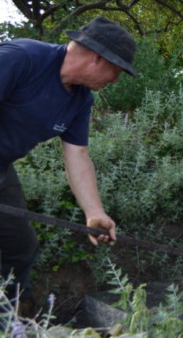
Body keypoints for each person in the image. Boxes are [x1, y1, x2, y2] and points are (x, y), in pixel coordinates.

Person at [0, 16, 137, 315]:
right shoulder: (22, 58)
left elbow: (78, 157)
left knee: (20, 246)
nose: (115, 80)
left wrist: (94, 212)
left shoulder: (80, 100)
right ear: (98, 57)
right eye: (118, 70)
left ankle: (11, 320)